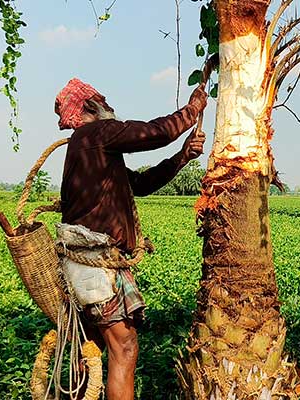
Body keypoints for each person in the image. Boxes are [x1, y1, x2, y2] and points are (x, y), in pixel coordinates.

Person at [54, 77, 208, 400]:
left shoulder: (88, 148)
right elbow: (154, 133)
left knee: (92, 351)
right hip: (97, 266)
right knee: (123, 347)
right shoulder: (96, 134)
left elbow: (139, 184)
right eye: (103, 101)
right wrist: (192, 111)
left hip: (85, 267)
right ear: (90, 108)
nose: (110, 106)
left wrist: (182, 157)